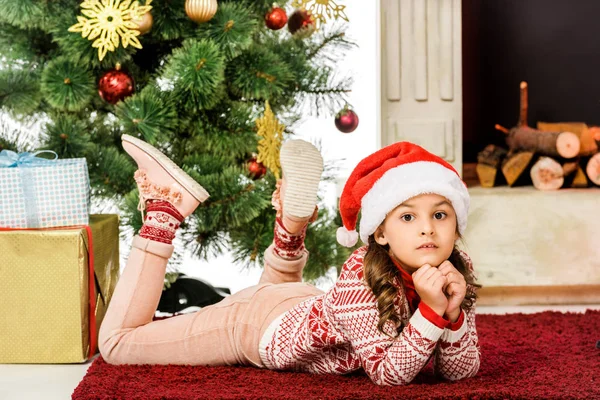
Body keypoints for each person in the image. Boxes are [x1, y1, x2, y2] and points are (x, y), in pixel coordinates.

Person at [99, 135, 481, 386]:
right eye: (408, 217)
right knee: (117, 345)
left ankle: (290, 228)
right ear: (379, 233)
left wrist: (453, 314)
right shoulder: (359, 276)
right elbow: (387, 374)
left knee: (277, 299)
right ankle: (164, 211)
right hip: (251, 326)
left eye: (440, 215)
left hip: (294, 303)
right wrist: (432, 312)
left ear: (457, 225)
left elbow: (459, 373)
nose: (428, 230)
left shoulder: (455, 267)